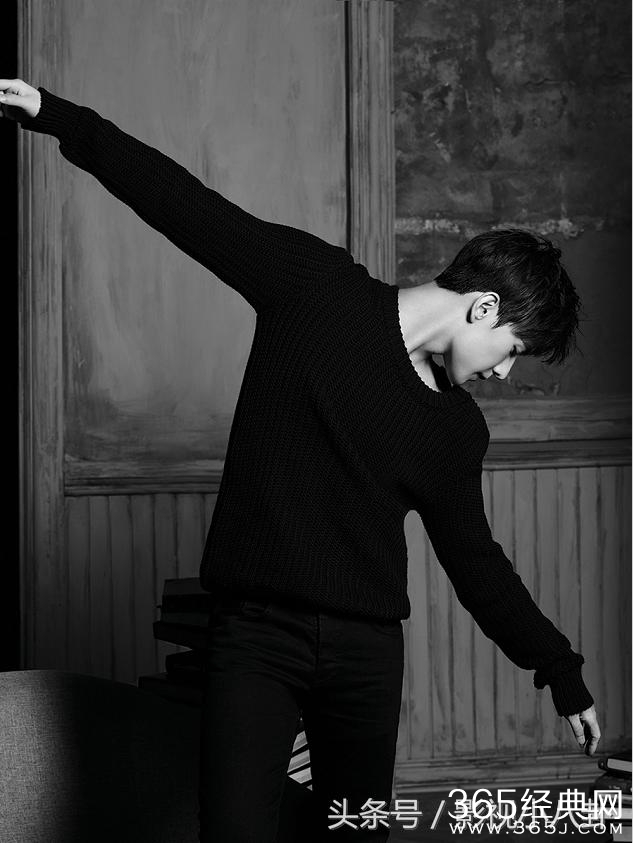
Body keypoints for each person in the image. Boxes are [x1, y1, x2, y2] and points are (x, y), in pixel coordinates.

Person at [1, 79, 601, 842]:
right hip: (255, 638)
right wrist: (60, 118)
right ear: (483, 307)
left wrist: (558, 668)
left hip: (366, 655)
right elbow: (185, 206)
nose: (504, 372)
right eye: (512, 350)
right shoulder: (312, 289)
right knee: (235, 830)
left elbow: (476, 562)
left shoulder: (455, 430)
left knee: (354, 828)